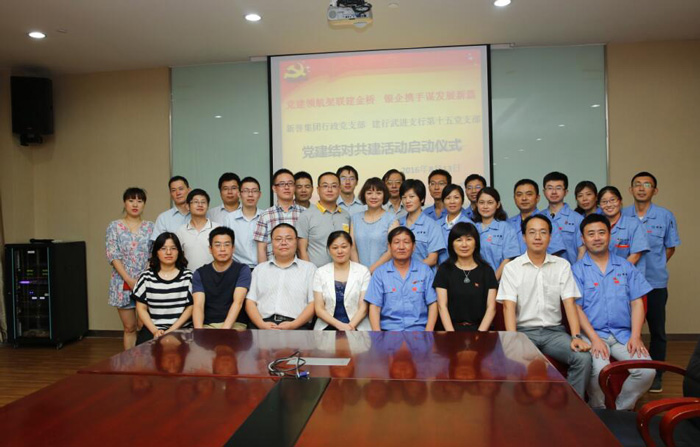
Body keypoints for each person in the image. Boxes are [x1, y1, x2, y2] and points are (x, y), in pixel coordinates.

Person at [497, 214, 592, 398]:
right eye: (532, 232)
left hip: (554, 333)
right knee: (509, 360)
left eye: (543, 232)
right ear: (524, 237)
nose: (537, 237)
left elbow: (570, 303)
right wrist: (513, 339)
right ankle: (520, 408)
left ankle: (572, 405)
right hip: (524, 333)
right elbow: (508, 307)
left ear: (550, 236)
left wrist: (576, 336)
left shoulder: (562, 265)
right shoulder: (512, 268)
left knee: (583, 358)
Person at [572, 214, 654, 410]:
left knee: (647, 371)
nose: (597, 238)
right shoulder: (577, 270)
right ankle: (598, 410)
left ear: (610, 235)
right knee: (599, 371)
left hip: (623, 335)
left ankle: (620, 410)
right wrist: (594, 339)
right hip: (593, 334)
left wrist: (636, 336)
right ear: (583, 239)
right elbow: (576, 308)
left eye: (601, 232)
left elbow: (637, 303)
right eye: (591, 234)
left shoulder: (626, 267)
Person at [621, 171, 681, 392]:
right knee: (625, 329)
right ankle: (627, 372)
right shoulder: (621, 214)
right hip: (626, 284)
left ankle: (656, 375)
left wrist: (656, 265)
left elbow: (670, 247)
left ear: (655, 190)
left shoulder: (665, 216)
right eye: (637, 184)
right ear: (630, 189)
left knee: (657, 331)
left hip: (655, 282)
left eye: (647, 184)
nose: (641, 188)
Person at [106, 187, 155, 350]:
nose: (135, 204)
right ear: (124, 203)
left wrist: (141, 280)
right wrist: (128, 279)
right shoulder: (115, 226)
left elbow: (153, 255)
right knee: (129, 327)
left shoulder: (151, 227)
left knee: (145, 326)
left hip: (146, 282)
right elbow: (113, 255)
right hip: (122, 282)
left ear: (144, 204)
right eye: (131, 200)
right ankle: (130, 361)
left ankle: (146, 361)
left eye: (139, 201)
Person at [365, 227, 438, 331]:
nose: (401, 247)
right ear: (389, 246)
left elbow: (433, 304)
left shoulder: (425, 271)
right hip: (389, 333)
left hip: (419, 332)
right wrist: (378, 336)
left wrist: (428, 333)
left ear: (414, 246)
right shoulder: (379, 273)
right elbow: (374, 307)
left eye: (406, 242)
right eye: (396, 242)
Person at [246, 223, 316, 330]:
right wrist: (261, 324)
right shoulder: (259, 269)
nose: (283, 243)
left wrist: (294, 324)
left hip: (297, 327)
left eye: (289, 239)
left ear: (296, 241)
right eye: (278, 239)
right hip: (262, 326)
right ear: (271, 243)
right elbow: (250, 301)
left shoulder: (309, 269)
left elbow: (313, 303)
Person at [434, 222, 497, 332]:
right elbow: (442, 307)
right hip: (450, 331)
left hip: (481, 331)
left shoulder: (487, 271)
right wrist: (452, 335)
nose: (464, 245)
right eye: (459, 240)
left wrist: (479, 334)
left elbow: (491, 308)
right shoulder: (444, 270)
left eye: (468, 239)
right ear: (452, 244)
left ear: (476, 243)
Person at [133, 232, 194, 344]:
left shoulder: (188, 276)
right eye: (163, 248)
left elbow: (190, 308)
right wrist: (155, 331)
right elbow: (141, 308)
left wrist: (171, 331)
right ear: (156, 252)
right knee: (142, 351)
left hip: (181, 329)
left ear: (179, 252)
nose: (168, 252)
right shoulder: (146, 277)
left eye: (173, 248)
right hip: (153, 329)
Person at [192, 226, 252, 330]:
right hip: (208, 326)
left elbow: (238, 302)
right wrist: (199, 332)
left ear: (233, 248)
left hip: (235, 325)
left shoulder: (243, 270)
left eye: (227, 245)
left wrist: (224, 331)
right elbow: (198, 306)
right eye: (218, 245)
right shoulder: (200, 273)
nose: (222, 249)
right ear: (210, 249)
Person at [313, 231, 371, 330]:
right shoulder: (320, 272)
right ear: (328, 250)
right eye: (335, 248)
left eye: (344, 247)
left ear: (351, 247)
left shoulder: (363, 271)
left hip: (357, 326)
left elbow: (364, 307)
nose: (340, 251)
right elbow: (319, 309)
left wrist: (350, 326)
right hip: (327, 326)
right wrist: (341, 326)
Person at [297, 172, 351, 267]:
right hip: (316, 273)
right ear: (318, 190)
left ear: (339, 189)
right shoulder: (306, 215)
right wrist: (310, 272)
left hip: (343, 272)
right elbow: (301, 250)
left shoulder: (345, 215)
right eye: (325, 186)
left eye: (334, 186)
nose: (329, 190)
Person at [254, 168, 306, 263]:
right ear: (274, 188)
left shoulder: (305, 213)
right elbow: (262, 249)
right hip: (273, 267)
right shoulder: (265, 216)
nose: (287, 187)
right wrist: (263, 270)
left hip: (300, 267)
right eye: (282, 184)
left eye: (290, 183)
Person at [393, 179, 446, 269]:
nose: (407, 201)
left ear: (422, 199)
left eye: (411, 196)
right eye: (404, 197)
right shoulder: (397, 223)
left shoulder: (432, 225)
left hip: (424, 275)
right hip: (399, 274)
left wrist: (408, 269)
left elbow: (432, 259)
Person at [507, 179, 567, 257]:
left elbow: (555, 255)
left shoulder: (548, 222)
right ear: (514, 198)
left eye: (529, 194)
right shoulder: (508, 224)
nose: (524, 198)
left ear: (537, 198)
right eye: (519, 194)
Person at [472, 187, 520, 280]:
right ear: (477, 204)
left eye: (490, 202)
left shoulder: (506, 228)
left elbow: (508, 259)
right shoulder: (472, 228)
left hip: (500, 282)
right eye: (481, 202)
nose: (485, 206)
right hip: (474, 281)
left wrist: (492, 281)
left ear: (497, 205)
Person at [538, 171, 584, 265]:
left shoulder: (577, 219)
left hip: (570, 270)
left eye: (558, 188)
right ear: (544, 192)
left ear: (566, 192)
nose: (554, 192)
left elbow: (582, 250)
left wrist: (575, 272)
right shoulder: (538, 218)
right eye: (550, 188)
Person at [350, 177, 395, 273]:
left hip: (384, 272)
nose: (374, 197)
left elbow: (391, 250)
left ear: (384, 195)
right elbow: (352, 247)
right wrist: (359, 271)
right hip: (359, 274)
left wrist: (368, 271)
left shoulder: (392, 219)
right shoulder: (355, 218)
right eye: (369, 193)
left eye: (378, 193)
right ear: (364, 195)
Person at [597, 186, 649, 265]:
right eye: (604, 202)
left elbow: (635, 255)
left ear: (620, 201)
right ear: (599, 205)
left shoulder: (634, 224)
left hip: (628, 271)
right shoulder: (596, 225)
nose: (609, 205)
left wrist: (618, 271)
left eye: (612, 200)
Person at [175, 189, 220, 271]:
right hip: (189, 276)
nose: (200, 205)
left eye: (203, 202)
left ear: (208, 206)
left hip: (213, 276)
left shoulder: (217, 229)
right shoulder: (181, 231)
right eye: (196, 202)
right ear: (188, 206)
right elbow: (177, 256)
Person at [224, 176, 262, 270]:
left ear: (259, 194)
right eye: (246, 191)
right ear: (239, 194)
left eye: (254, 191)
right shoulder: (229, 219)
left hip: (262, 267)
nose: (250, 195)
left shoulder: (266, 217)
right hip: (237, 269)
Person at [437, 184, 474, 264]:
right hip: (440, 269)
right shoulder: (436, 225)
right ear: (443, 201)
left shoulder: (469, 225)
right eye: (448, 198)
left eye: (456, 197)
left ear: (462, 201)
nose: (452, 201)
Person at [152, 175, 191, 240]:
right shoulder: (163, 218)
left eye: (181, 189)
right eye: (173, 190)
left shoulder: (200, 214)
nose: (178, 193)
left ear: (189, 190)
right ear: (170, 194)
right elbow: (158, 243)